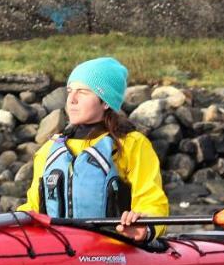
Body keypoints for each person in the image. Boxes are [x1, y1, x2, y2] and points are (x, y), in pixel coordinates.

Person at [18, 57, 168, 242]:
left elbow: (152, 201)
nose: (71, 100)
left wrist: (145, 227)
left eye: (82, 92)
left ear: (105, 102)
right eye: (70, 91)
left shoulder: (131, 145)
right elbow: (32, 207)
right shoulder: (49, 150)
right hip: (57, 248)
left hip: (114, 250)